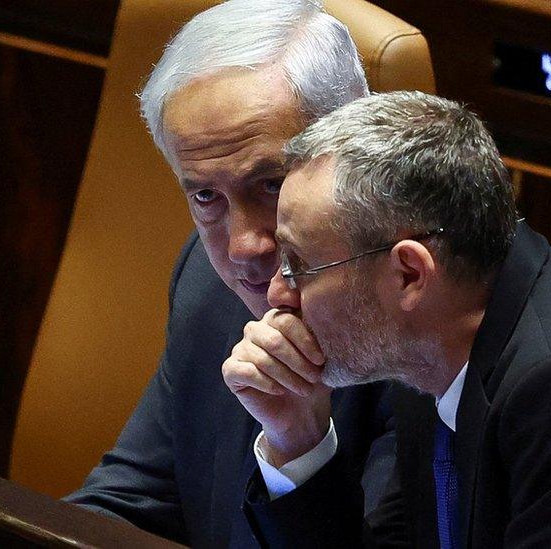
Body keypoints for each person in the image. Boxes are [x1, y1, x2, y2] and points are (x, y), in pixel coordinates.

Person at [226, 90, 551, 547]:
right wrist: (299, 438)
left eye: (299, 265)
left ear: (409, 274)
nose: (276, 292)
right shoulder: (434, 350)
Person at [64, 2, 402, 547]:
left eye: (271, 183)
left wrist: (301, 448)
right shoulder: (208, 285)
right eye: (205, 196)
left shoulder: (426, 330)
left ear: (354, 153)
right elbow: (131, 502)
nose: (245, 247)